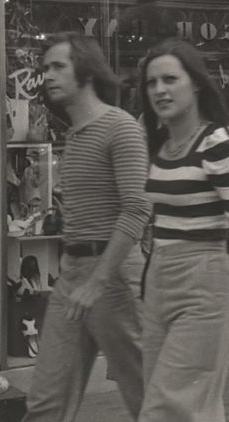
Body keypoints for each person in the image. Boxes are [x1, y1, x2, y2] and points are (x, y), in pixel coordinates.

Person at [137, 39, 229, 420]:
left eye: (170, 78)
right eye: (152, 83)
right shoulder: (161, 144)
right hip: (158, 285)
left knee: (166, 408)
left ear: (196, 83)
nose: (160, 90)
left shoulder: (220, 143)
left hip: (205, 289)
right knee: (191, 408)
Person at [23, 33, 150, 422]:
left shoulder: (120, 127)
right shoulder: (75, 135)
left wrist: (99, 280)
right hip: (73, 275)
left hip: (113, 277)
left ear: (87, 71)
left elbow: (138, 207)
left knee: (148, 396)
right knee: (46, 401)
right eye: (45, 68)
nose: (47, 76)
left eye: (58, 66)